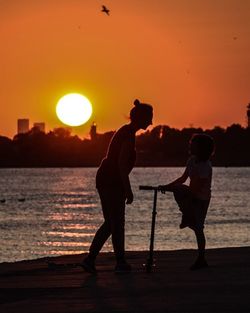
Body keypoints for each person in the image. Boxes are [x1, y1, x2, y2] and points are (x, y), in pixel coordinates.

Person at [82, 99, 153, 274]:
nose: (151, 122)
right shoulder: (128, 134)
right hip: (111, 181)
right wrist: (128, 190)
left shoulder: (126, 132)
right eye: (149, 117)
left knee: (110, 223)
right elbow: (121, 165)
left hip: (106, 178)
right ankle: (120, 262)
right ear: (141, 118)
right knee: (116, 223)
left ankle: (90, 259)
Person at [158, 133, 215, 270]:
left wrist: (180, 191)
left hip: (201, 199)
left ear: (201, 148)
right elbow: (183, 178)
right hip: (192, 197)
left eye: (193, 144)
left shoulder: (205, 166)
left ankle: (201, 258)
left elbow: (197, 188)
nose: (190, 145)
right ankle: (187, 215)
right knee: (195, 226)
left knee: (198, 229)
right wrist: (168, 186)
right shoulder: (191, 160)